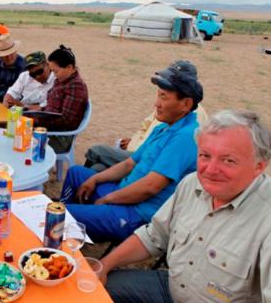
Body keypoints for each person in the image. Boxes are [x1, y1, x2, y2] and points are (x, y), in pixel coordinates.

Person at [101, 109, 271, 303]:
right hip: (173, 290)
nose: (210, 170)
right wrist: (103, 265)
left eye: (228, 160)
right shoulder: (192, 183)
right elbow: (154, 236)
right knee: (97, 287)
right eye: (205, 155)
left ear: (259, 166)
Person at [59, 61, 204, 242]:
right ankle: (71, 235)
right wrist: (95, 178)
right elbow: (129, 164)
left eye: (164, 97)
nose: (156, 104)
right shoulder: (165, 127)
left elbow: (150, 188)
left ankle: (66, 228)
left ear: (186, 104)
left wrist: (108, 199)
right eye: (158, 96)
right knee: (76, 174)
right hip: (125, 191)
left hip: (137, 213)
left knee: (59, 216)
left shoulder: (185, 137)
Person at [84, 61, 208, 172]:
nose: (157, 103)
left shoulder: (187, 114)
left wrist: (136, 146)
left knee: (96, 151)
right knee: (97, 169)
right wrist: (134, 140)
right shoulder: (166, 106)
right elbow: (145, 126)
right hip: (137, 151)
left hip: (142, 156)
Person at [31, 45, 89, 153]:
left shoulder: (76, 86)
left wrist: (38, 121)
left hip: (60, 137)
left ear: (69, 68)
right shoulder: (61, 80)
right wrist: (37, 112)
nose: (54, 75)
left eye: (56, 71)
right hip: (49, 127)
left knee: (21, 138)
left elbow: (65, 119)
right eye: (52, 71)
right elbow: (52, 107)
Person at [0, 34, 25, 102]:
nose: (9, 57)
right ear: (0, 55)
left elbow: (16, 94)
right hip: (0, 101)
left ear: (15, 51)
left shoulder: (23, 66)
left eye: (11, 53)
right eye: (5, 55)